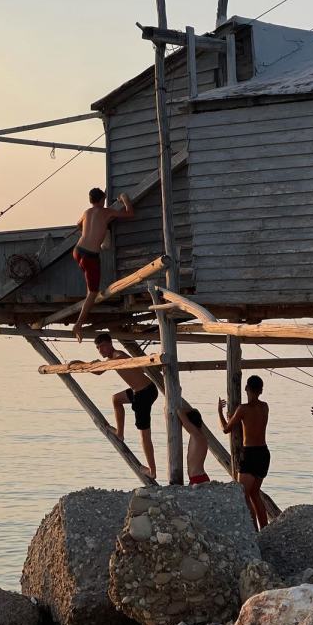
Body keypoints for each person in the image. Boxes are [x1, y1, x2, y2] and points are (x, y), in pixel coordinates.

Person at [75, 333, 158, 479]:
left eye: (101, 347)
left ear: (109, 344)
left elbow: (115, 362)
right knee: (116, 399)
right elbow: (99, 372)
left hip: (144, 393)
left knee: (144, 434)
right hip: (141, 390)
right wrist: (80, 363)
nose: (100, 351)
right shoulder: (110, 359)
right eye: (98, 348)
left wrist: (99, 364)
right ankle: (120, 433)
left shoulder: (118, 355)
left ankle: (152, 471)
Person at [72, 188, 134, 342]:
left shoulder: (87, 212)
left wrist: (97, 229)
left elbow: (78, 224)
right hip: (90, 256)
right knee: (92, 293)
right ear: (103, 199)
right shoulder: (108, 212)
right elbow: (130, 214)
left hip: (77, 251)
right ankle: (78, 324)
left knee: (90, 278)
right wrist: (124, 199)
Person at [218, 375, 270, 530]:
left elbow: (226, 429)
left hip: (250, 454)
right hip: (263, 453)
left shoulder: (242, 409)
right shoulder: (265, 407)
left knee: (243, 494)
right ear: (261, 390)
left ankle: (253, 530)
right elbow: (251, 425)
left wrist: (220, 412)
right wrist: (237, 418)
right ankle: (265, 528)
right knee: (255, 493)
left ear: (246, 388)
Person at [178, 407, 209, 485]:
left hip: (198, 479)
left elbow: (179, 412)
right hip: (200, 477)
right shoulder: (201, 435)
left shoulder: (195, 434)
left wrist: (188, 410)